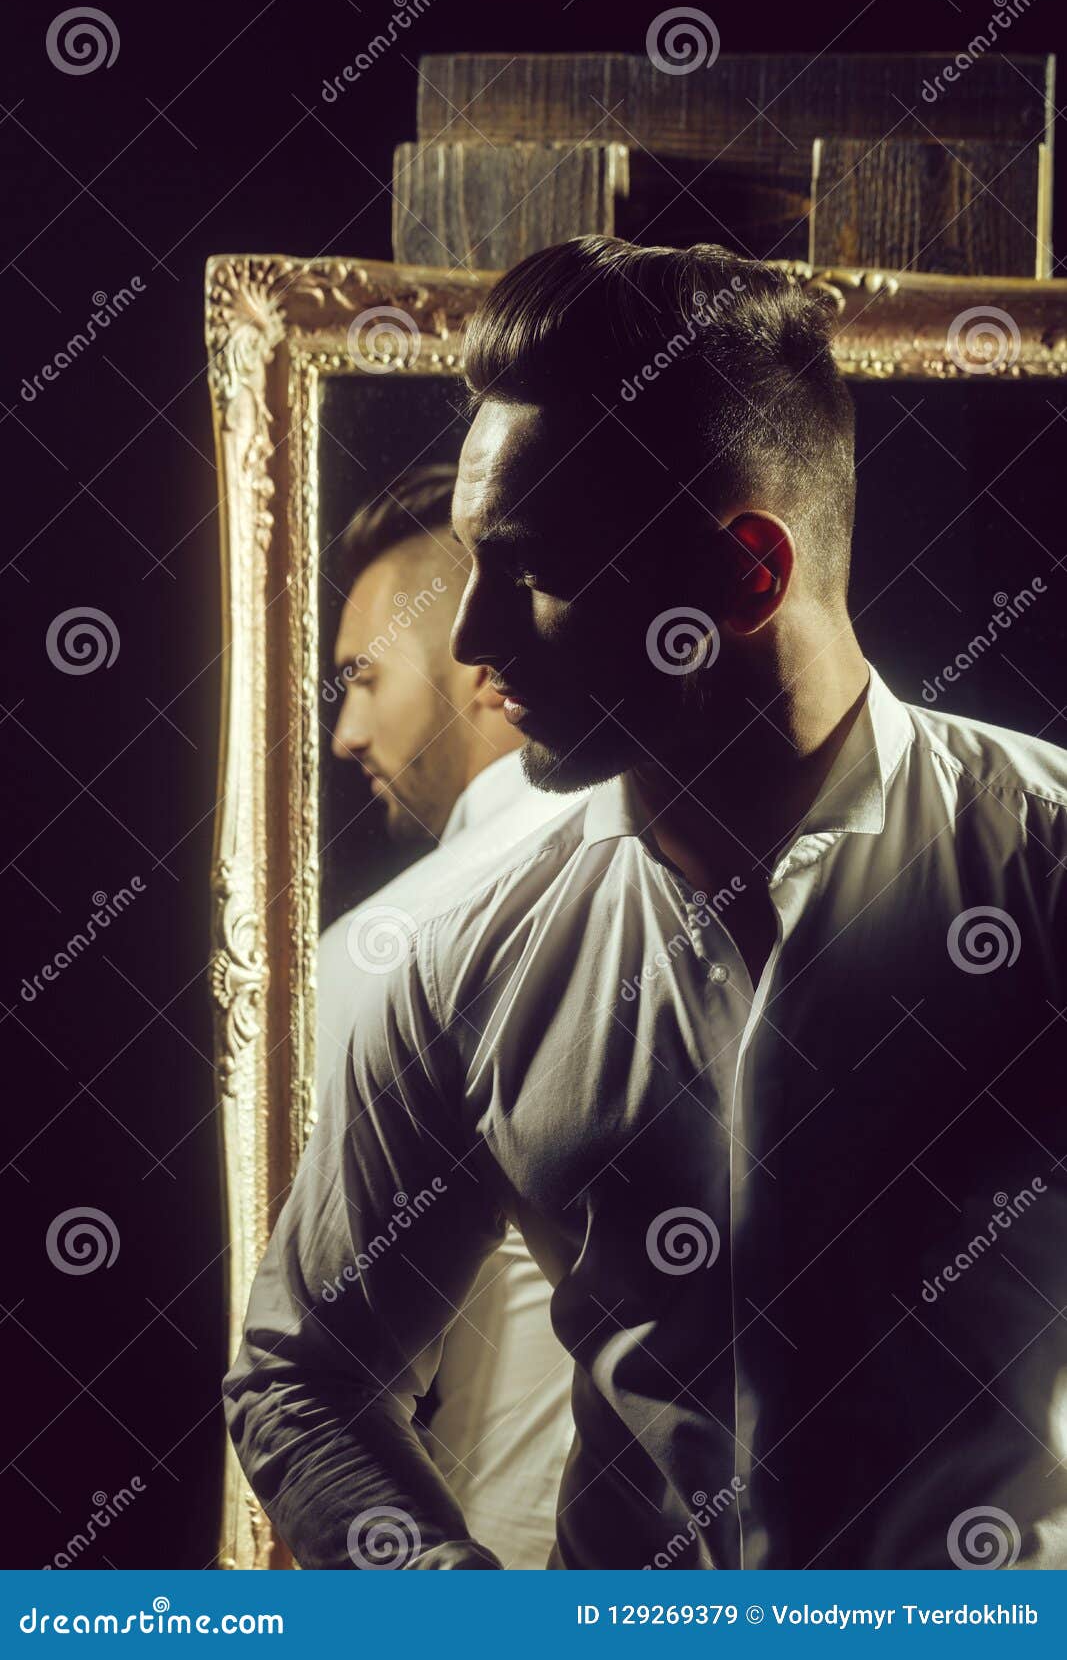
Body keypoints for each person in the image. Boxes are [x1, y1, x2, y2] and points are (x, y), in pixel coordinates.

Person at [224, 236, 1067, 1571]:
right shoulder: (470, 948)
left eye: (535, 569)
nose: (468, 641)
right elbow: (297, 1373)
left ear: (742, 577)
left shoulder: (1040, 869)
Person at [319, 464, 583, 1569]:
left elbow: (316, 1387)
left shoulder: (384, 953)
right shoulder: (708, 867)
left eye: (361, 677)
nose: (343, 732)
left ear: (479, 667)